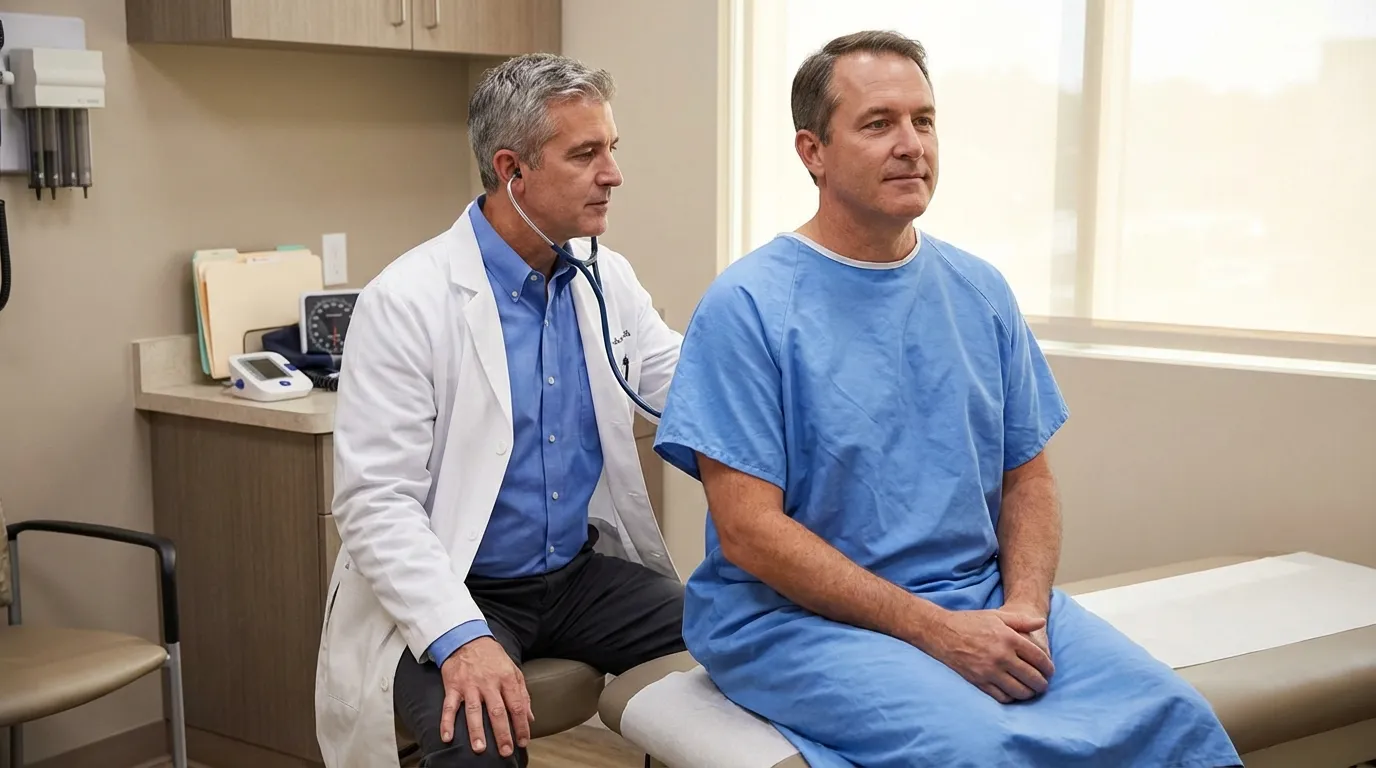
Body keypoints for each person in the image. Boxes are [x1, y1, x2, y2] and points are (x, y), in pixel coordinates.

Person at [652, 30, 1242, 768]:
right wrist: (936, 630)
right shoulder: (749, 305)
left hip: (982, 596)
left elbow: (1027, 477)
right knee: (981, 752)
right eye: (878, 124)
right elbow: (748, 534)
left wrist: (1024, 610)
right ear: (813, 152)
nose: (911, 144)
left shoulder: (979, 290)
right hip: (791, 622)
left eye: (923, 120)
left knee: (1177, 722)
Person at [315, 53, 686, 768]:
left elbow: (689, 393)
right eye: (585, 154)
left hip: (577, 577)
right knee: (477, 742)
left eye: (612, 149)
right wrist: (460, 635)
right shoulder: (407, 302)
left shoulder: (603, 276)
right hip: (456, 583)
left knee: (747, 643)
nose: (613, 174)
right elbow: (374, 504)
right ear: (512, 169)